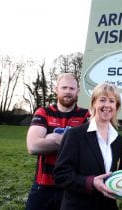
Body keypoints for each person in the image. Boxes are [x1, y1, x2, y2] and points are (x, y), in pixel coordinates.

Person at [53, 83, 122, 210]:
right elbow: (61, 175)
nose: (107, 105)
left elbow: (120, 174)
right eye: (102, 100)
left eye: (111, 101)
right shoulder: (75, 135)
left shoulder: (118, 140)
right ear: (94, 103)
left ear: (116, 106)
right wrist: (91, 182)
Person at [25, 73, 90, 210]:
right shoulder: (44, 112)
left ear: (78, 91)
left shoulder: (86, 115)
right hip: (43, 185)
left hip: (71, 185)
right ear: (56, 89)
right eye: (64, 87)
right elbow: (33, 146)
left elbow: (88, 148)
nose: (67, 92)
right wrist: (73, 141)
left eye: (72, 88)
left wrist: (52, 138)